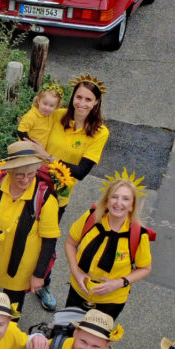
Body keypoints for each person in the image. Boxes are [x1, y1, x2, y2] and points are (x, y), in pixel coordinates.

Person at [26, 74, 110, 310]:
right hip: (32, 182)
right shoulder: (57, 115)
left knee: (47, 240)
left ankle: (43, 283)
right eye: (78, 97)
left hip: (59, 193)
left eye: (88, 99)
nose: (81, 103)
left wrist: (47, 156)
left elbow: (81, 171)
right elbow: (33, 121)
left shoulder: (99, 132)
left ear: (96, 103)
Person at [0, 141, 58, 319]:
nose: (25, 180)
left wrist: (39, 275)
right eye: (20, 175)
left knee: (12, 317)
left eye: (31, 174)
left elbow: (49, 242)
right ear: (8, 171)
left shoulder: (45, 198)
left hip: (19, 273)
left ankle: (6, 346)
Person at [64, 170, 152, 319]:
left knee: (95, 339)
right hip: (79, 290)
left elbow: (145, 268)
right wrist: (76, 271)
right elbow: (70, 243)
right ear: (106, 201)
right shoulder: (91, 218)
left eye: (125, 199)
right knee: (66, 329)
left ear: (132, 206)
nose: (118, 203)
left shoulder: (138, 235)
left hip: (111, 300)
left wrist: (119, 283)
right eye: (114, 197)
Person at [16, 84, 63, 148]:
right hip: (27, 149)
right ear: (38, 100)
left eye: (51, 106)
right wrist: (30, 144)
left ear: (57, 107)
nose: (47, 108)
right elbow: (21, 131)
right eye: (45, 103)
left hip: (40, 151)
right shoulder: (32, 115)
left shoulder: (51, 115)